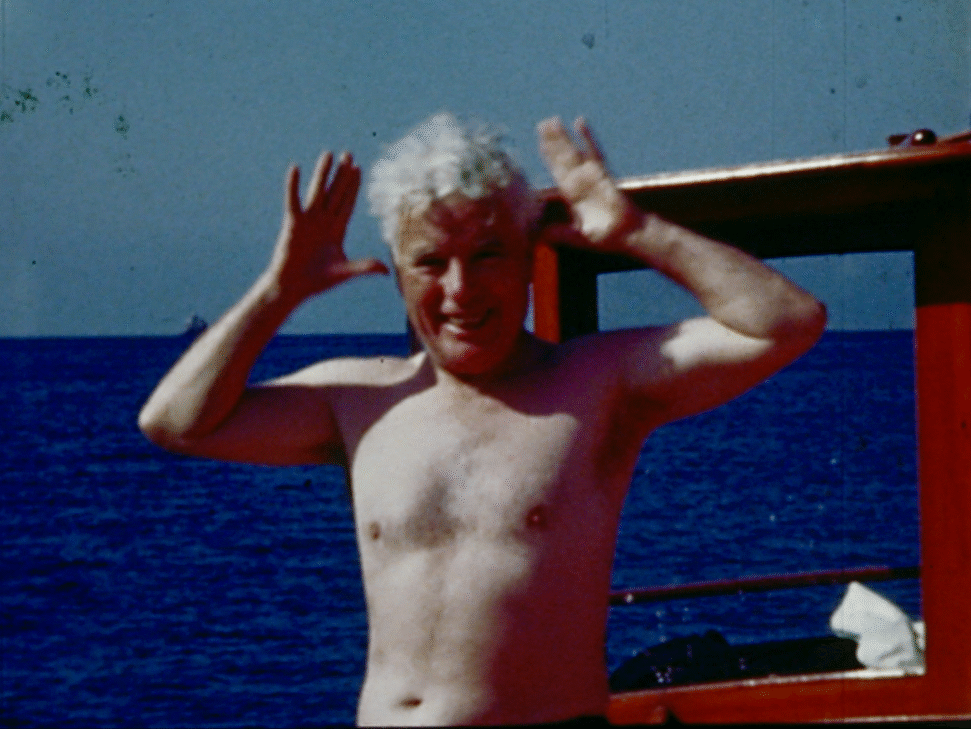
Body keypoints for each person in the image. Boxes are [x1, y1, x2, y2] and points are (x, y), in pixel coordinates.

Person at [138, 112, 826, 726]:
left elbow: (786, 323)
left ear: (529, 257)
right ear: (400, 278)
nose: (461, 290)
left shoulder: (597, 384)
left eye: (487, 255)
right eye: (432, 263)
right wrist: (279, 289)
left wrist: (636, 231)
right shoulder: (356, 399)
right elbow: (176, 423)